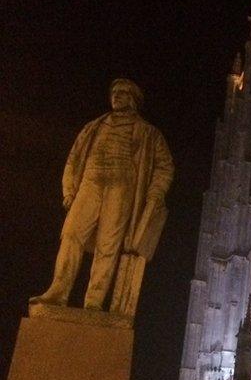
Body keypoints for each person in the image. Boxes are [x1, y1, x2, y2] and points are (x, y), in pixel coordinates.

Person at [30, 78, 174, 311]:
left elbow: (165, 166)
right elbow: (74, 159)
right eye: (114, 92)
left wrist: (155, 194)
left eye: (123, 92)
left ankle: (94, 302)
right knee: (71, 233)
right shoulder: (94, 127)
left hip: (122, 187)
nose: (116, 95)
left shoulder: (149, 133)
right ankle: (58, 291)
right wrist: (68, 190)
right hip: (91, 182)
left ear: (134, 100)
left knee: (108, 246)